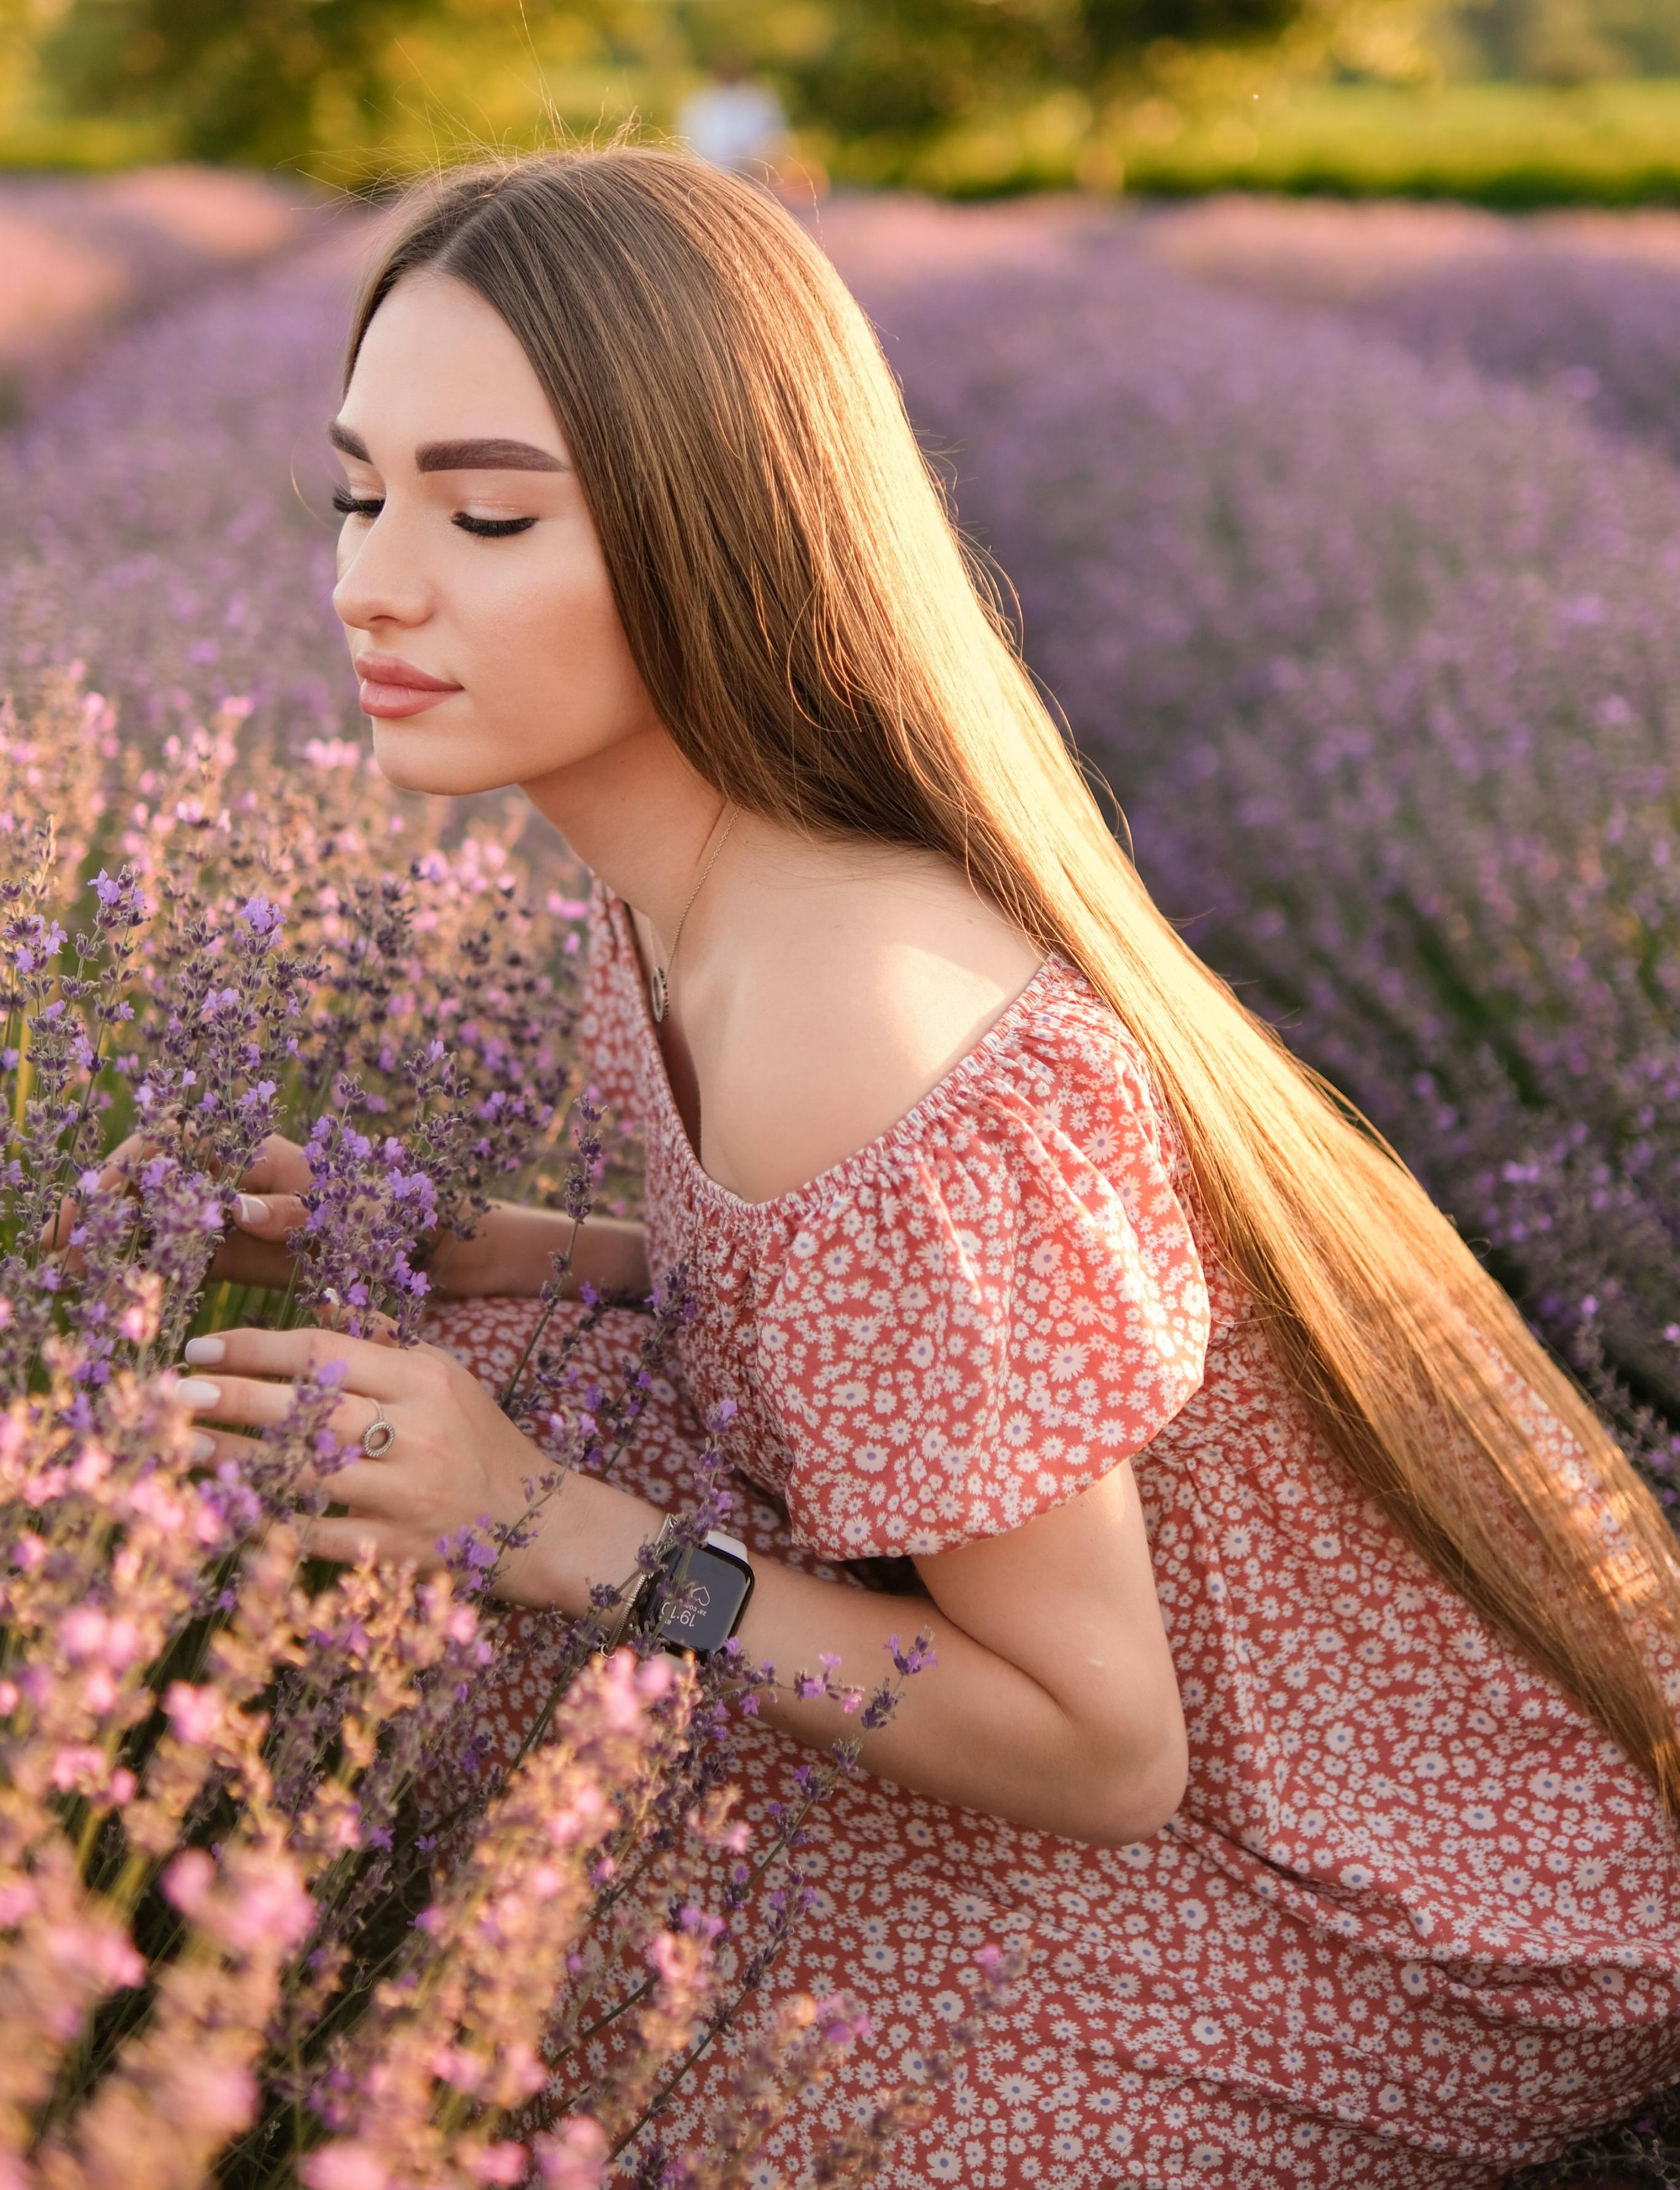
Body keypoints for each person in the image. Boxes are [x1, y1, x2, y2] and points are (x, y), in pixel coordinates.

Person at [178, 147, 1680, 2188]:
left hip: (1395, 1886)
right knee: (544, 1905)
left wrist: (537, 1510)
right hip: (1253, 1768)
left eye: (488, 510)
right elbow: (806, 1289)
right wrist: (473, 1245)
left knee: (676, 2077)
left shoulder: (849, 1017)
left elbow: (1099, 1745)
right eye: (361, 492)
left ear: (717, 538)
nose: (372, 579)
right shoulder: (690, 889)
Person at [675, 54, 790, 179]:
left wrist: (755, 161)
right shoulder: (699, 103)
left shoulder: (760, 101)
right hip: (712, 173)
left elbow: (775, 136)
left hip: (755, 174)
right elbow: (691, 141)